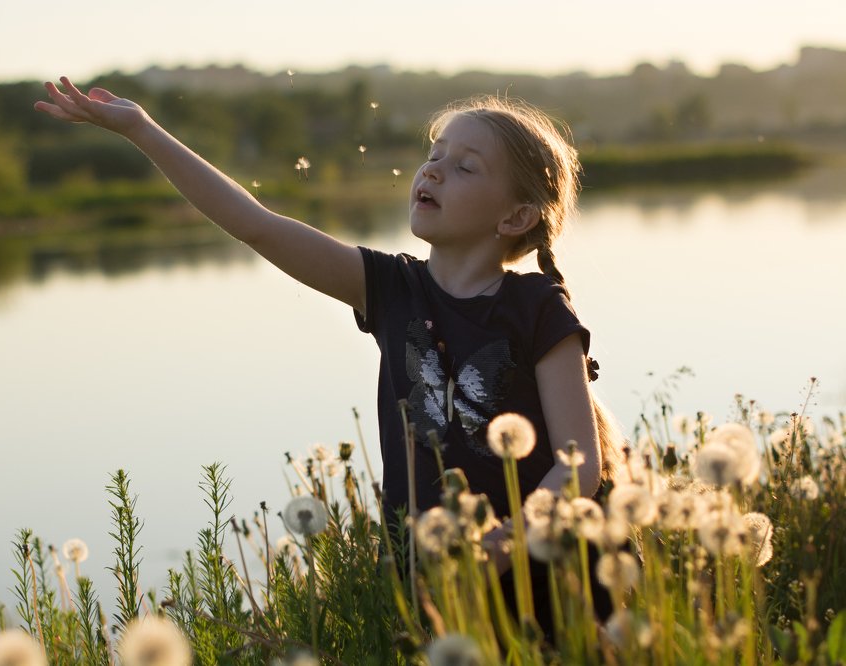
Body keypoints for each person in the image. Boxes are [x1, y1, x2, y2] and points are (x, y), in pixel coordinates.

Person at [35, 77, 623, 633]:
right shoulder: (391, 290)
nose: (434, 170)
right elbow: (256, 226)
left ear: (515, 217)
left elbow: (579, 466)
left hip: (551, 584)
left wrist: (506, 543)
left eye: (465, 166)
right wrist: (141, 128)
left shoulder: (537, 308)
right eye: (434, 155)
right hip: (437, 589)